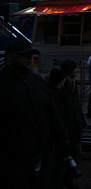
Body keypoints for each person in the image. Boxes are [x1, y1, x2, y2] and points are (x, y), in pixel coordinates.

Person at [0, 40, 68, 189]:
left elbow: (51, 113)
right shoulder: (5, 85)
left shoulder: (36, 82)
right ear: (10, 57)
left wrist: (63, 140)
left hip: (35, 154)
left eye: (31, 55)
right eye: (24, 55)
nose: (29, 59)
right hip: (12, 158)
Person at [59, 59, 86, 189]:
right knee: (72, 153)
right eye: (75, 68)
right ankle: (65, 179)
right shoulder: (65, 87)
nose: (77, 70)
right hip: (69, 128)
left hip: (73, 127)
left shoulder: (71, 84)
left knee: (74, 153)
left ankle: (67, 178)